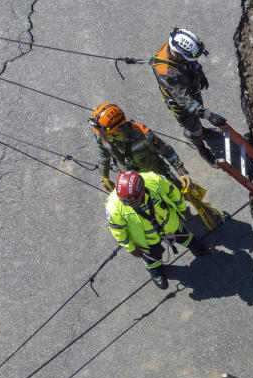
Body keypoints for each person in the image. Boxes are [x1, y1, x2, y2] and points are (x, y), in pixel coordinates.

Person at [105, 169, 207, 289]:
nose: (128, 204)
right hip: (146, 240)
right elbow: (118, 232)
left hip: (169, 223)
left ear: (142, 189)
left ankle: (191, 243)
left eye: (132, 201)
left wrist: (183, 208)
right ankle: (155, 270)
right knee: (151, 256)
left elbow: (173, 192)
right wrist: (131, 248)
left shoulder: (155, 180)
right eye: (125, 202)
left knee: (182, 235)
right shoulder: (113, 208)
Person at [149, 28, 228, 168]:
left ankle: (202, 130)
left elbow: (193, 64)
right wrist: (210, 115)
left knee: (198, 121)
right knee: (193, 129)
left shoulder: (179, 52)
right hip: (183, 105)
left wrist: (201, 75)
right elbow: (185, 101)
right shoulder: (166, 72)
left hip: (191, 90)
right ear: (179, 54)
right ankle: (201, 148)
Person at [88, 102, 191, 192]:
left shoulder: (143, 136)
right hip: (134, 181)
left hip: (157, 174)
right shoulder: (103, 137)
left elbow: (166, 151)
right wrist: (104, 177)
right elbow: (103, 156)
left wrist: (181, 171)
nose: (100, 135)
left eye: (103, 133)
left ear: (117, 131)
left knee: (177, 193)